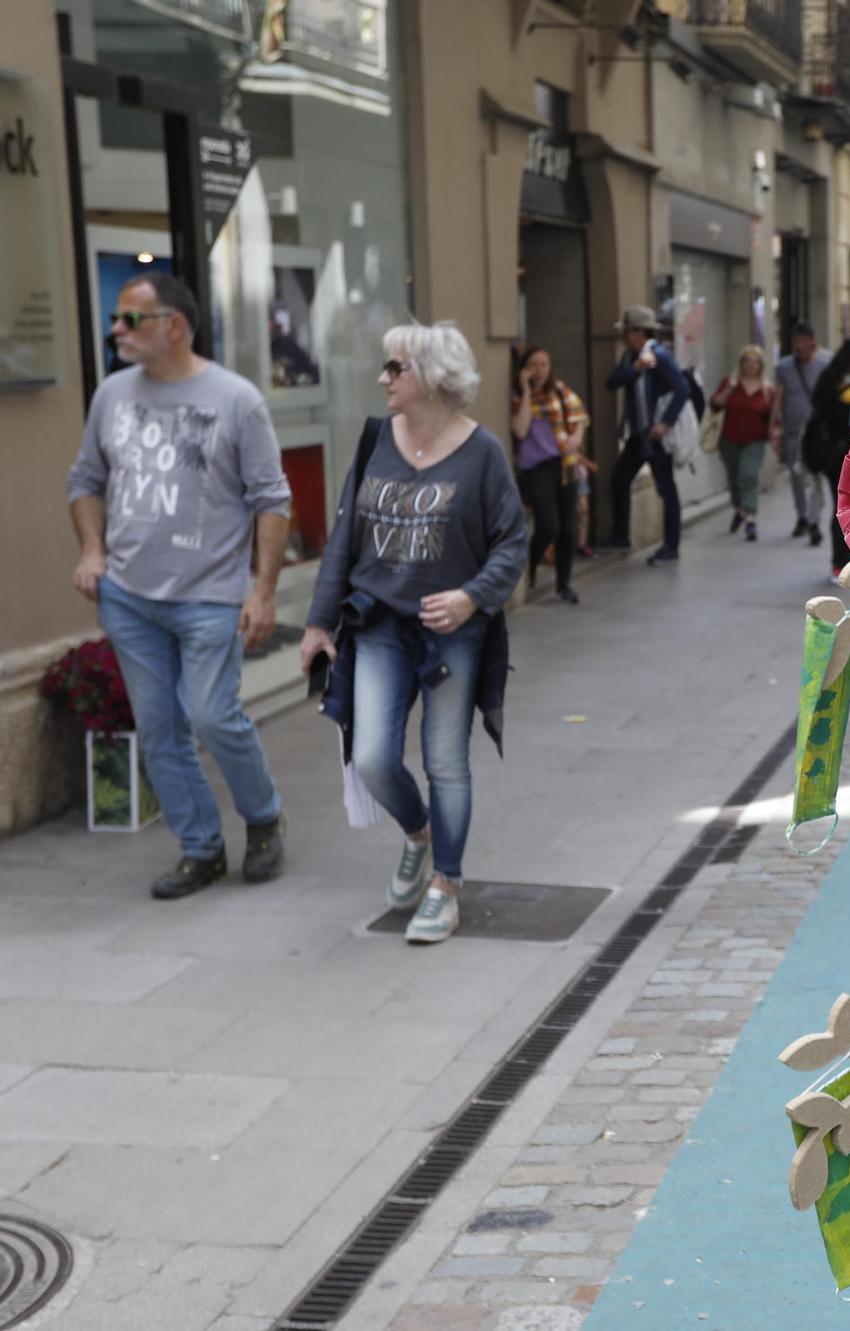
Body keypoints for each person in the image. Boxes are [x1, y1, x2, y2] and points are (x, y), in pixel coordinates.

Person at [301, 321, 529, 945]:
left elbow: (513, 543)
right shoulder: (376, 438)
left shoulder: (481, 453)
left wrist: (470, 597)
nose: (383, 379)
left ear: (430, 377)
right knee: (372, 756)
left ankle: (446, 884)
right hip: (377, 622)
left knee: (445, 760)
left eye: (394, 369)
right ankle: (419, 835)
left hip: (452, 631)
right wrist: (320, 622)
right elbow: (345, 537)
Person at [66, 273, 292, 900]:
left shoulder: (236, 399)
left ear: (175, 326)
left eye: (130, 319)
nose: (117, 329)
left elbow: (272, 498)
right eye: (116, 318)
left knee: (213, 715)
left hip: (208, 595)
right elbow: (84, 479)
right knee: (160, 728)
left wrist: (263, 590)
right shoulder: (111, 395)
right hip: (130, 597)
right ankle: (201, 849)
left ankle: (264, 815)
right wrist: (93, 549)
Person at [603, 306, 691, 565]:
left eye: (627, 331)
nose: (624, 337)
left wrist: (665, 423)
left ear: (639, 332)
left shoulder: (659, 356)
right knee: (620, 478)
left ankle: (671, 546)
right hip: (639, 434)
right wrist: (636, 369)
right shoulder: (632, 357)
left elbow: (682, 389)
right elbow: (613, 382)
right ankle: (621, 535)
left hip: (655, 436)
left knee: (666, 489)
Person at [509, 346, 587, 604]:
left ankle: (563, 584)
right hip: (536, 469)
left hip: (565, 464)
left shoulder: (560, 391)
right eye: (534, 364)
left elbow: (579, 417)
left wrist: (576, 437)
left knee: (567, 529)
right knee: (549, 525)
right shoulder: (519, 397)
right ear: (524, 368)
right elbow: (520, 431)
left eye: (544, 364)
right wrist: (528, 391)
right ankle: (531, 561)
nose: (540, 370)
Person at [807, 338, 850, 577]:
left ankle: (839, 564)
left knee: (840, 508)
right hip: (848, 456)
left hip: (829, 455)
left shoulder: (830, 379)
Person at [711, 344, 782, 542]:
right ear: (741, 363)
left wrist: (775, 437)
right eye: (747, 361)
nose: (751, 365)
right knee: (734, 480)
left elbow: (773, 417)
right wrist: (727, 392)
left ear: (761, 365)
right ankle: (739, 508)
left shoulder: (767, 389)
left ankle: (750, 518)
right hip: (729, 440)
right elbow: (714, 405)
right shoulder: (730, 382)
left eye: (755, 361)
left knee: (748, 475)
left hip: (755, 441)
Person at [774, 324, 832, 545]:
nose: (799, 347)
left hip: (817, 433)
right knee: (797, 476)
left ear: (812, 341)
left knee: (815, 476)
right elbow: (778, 397)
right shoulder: (784, 367)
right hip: (792, 432)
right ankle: (802, 516)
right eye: (795, 342)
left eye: (802, 342)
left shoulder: (826, 362)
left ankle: (814, 521)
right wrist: (774, 427)